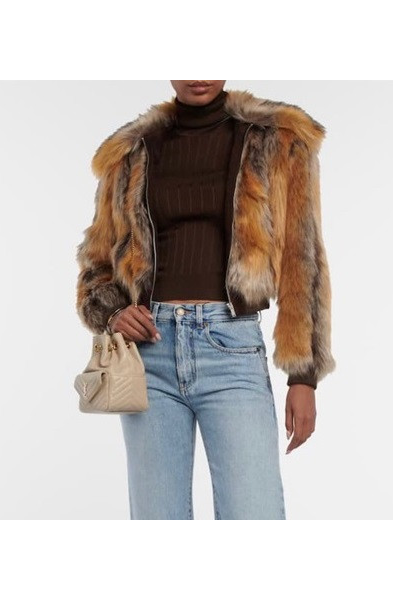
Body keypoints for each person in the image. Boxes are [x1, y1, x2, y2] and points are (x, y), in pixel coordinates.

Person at [76, 80, 336, 519]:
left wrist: (304, 375)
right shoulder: (130, 151)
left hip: (231, 349)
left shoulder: (278, 139)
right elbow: (96, 263)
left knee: (254, 513)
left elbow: (302, 257)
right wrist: (114, 312)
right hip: (149, 353)